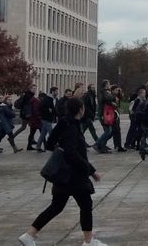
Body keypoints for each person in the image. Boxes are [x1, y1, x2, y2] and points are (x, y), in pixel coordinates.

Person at [17, 98, 105, 246]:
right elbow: (72, 153)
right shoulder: (71, 126)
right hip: (73, 175)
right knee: (85, 206)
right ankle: (89, 241)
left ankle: (29, 235)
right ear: (80, 110)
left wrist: (62, 148)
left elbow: (50, 143)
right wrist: (89, 170)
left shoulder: (64, 123)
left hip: (62, 175)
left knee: (56, 206)